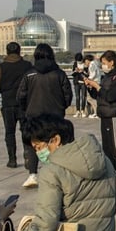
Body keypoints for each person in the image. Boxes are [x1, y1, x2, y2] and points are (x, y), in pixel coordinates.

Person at [18, 115, 116, 231]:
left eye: (38, 147)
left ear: (55, 140)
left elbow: (45, 223)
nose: (38, 153)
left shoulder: (51, 171)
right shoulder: (104, 161)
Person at [16, 43, 73, 188]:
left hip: (34, 115)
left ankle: (33, 174)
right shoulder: (59, 74)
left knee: (33, 144)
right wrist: (61, 107)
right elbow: (68, 95)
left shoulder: (29, 74)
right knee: (56, 143)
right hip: (55, 116)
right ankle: (57, 172)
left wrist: (27, 109)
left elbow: (21, 96)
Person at [83, 50, 116, 185]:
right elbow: (100, 96)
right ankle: (110, 171)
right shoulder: (107, 76)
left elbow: (111, 96)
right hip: (105, 113)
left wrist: (97, 86)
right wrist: (91, 87)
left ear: (111, 62)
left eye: (104, 63)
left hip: (115, 114)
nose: (103, 66)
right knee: (107, 147)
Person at [0, 42, 33, 168]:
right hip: (24, 104)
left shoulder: (2, 67)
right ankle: (28, 157)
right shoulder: (27, 65)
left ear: (7, 52)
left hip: (8, 103)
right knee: (26, 131)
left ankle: (12, 159)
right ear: (19, 51)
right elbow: (32, 83)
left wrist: (5, 91)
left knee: (9, 132)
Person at [71, 52, 89, 118]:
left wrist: (82, 71)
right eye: (78, 61)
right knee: (77, 97)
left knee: (83, 97)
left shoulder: (85, 64)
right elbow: (72, 73)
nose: (79, 62)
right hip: (77, 82)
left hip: (84, 82)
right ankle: (78, 111)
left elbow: (88, 74)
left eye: (80, 61)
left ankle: (83, 110)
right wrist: (75, 71)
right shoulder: (75, 64)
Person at [84, 54, 99, 118]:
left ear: (87, 60)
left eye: (85, 61)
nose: (85, 63)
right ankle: (96, 112)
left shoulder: (92, 64)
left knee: (91, 98)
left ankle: (96, 112)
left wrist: (88, 79)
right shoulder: (94, 63)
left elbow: (93, 74)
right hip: (96, 82)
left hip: (93, 83)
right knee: (92, 98)